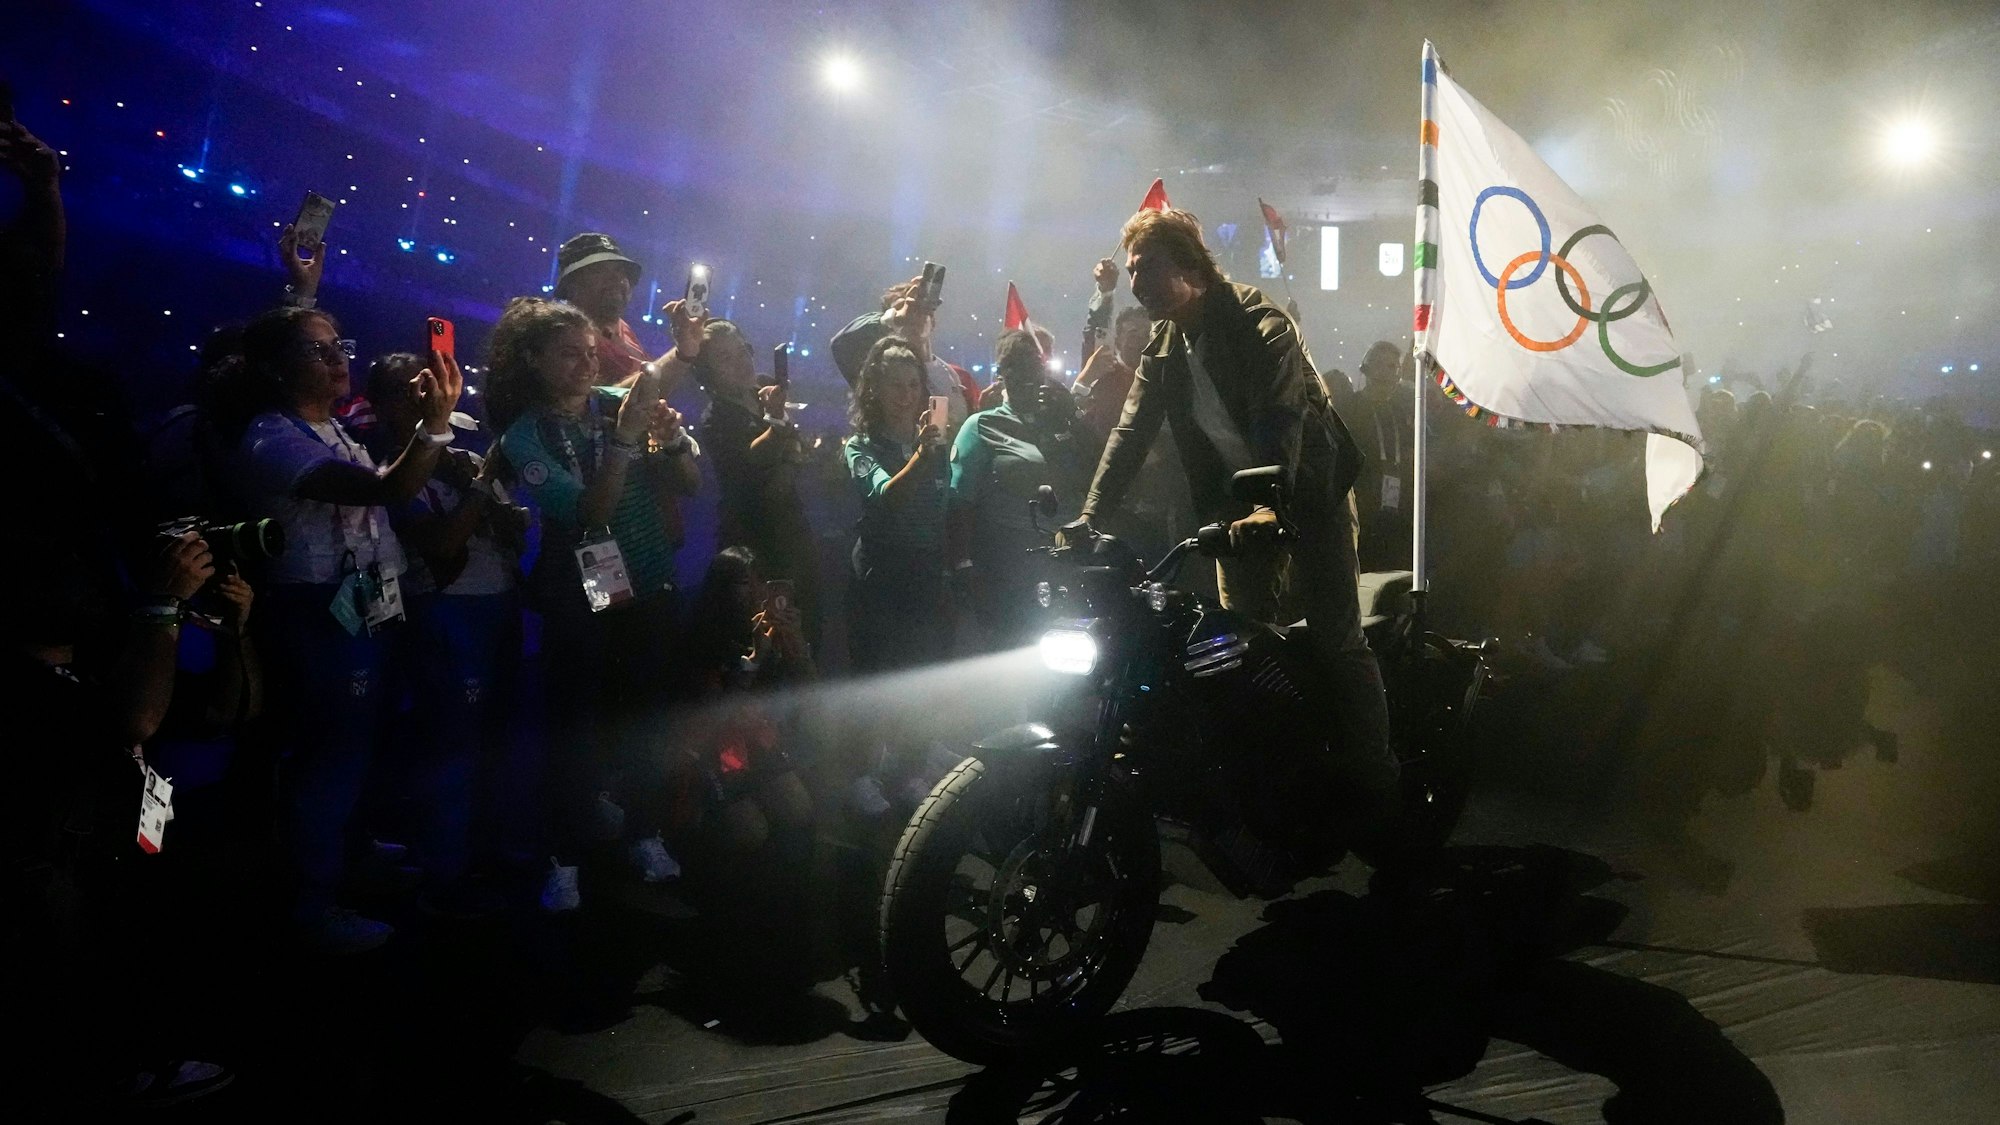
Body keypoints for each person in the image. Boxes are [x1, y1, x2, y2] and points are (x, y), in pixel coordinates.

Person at [1063, 206, 1398, 839]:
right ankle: (1272, 772)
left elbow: (1281, 413)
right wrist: (1088, 518)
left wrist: (1273, 497)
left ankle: (1377, 782)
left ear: (1189, 265)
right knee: (1237, 643)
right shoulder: (1165, 345)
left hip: (1309, 493)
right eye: (1130, 270)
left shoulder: (1261, 323)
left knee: (1337, 638)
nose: (1135, 281)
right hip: (1239, 504)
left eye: (1147, 267)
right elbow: (1130, 434)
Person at [227, 304, 463, 953]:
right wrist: (436, 423)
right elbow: (388, 490)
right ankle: (312, 903)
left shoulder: (327, 427)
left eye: (339, 345)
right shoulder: (274, 440)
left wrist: (302, 284)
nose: (338, 358)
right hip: (317, 612)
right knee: (328, 760)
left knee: (352, 749)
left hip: (357, 610)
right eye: (317, 349)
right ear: (276, 371)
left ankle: (348, 857)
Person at [490, 296, 703, 909]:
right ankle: (562, 855)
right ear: (531, 359)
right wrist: (625, 446)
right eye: (568, 354)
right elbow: (590, 514)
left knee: (644, 719)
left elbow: (656, 395)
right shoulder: (523, 436)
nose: (586, 366)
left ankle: (642, 830)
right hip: (574, 594)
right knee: (574, 727)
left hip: (647, 582)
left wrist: (678, 435)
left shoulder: (614, 406)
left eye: (591, 354)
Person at [367, 353, 526, 909]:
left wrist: (496, 499)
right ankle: (445, 870)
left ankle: (483, 849)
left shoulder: (460, 457)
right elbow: (440, 546)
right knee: (452, 741)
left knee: (493, 736)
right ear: (384, 403)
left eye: (430, 387)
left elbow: (512, 529)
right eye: (410, 390)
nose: (424, 398)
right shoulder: (388, 466)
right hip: (446, 611)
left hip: (500, 603)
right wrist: (482, 493)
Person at [949, 329, 1100, 649]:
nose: (1028, 374)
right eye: (1015, 366)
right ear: (1001, 374)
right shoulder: (982, 426)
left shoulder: (1061, 419)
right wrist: (964, 566)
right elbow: (959, 501)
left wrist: (1071, 414)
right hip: (1011, 566)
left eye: (1034, 364)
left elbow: (1100, 468)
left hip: (1071, 559)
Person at [687, 320, 819, 639]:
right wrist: (782, 436)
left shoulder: (763, 393)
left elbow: (795, 450)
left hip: (793, 533)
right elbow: (754, 461)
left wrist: (791, 445)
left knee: (808, 629)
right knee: (772, 639)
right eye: (725, 358)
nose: (741, 361)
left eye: (742, 350)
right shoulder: (716, 418)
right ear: (707, 373)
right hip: (758, 543)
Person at [842, 335, 951, 674]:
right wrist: (921, 456)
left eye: (913, 385)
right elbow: (886, 496)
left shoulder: (937, 446)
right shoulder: (861, 446)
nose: (906, 396)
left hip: (929, 577)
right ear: (874, 389)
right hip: (883, 581)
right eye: (895, 386)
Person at [830, 276, 980, 433]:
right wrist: (893, 319)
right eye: (901, 309)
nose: (911, 315)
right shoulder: (882, 377)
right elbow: (841, 342)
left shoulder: (960, 377)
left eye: (919, 308)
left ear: (932, 320)